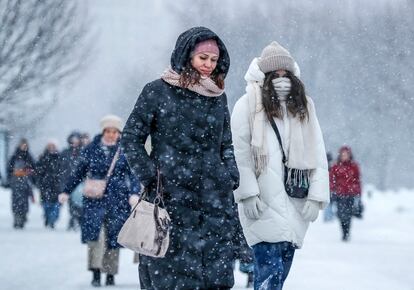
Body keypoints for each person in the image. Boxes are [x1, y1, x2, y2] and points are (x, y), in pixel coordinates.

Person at [121, 26, 240, 290]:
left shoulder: (217, 97)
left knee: (214, 276)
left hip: (213, 202)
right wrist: (150, 176)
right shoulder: (157, 91)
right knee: (169, 276)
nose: (209, 65)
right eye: (203, 58)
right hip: (170, 199)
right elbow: (130, 137)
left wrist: (230, 174)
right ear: (187, 56)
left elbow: (225, 142)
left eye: (214, 60)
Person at [231, 41, 330, 290]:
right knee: (268, 272)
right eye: (275, 75)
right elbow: (239, 154)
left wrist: (317, 197)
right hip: (262, 201)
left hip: (296, 200)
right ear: (264, 76)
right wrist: (247, 193)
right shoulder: (247, 105)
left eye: (286, 74)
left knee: (281, 272)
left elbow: (317, 153)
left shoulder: (303, 107)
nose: (282, 79)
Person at [58, 115, 140, 287]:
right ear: (103, 131)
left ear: (119, 133)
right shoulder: (91, 149)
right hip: (94, 200)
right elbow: (78, 172)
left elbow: (133, 174)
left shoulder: (124, 150)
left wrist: (134, 192)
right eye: (108, 131)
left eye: (114, 131)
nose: (111, 135)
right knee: (95, 237)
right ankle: (95, 273)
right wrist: (66, 191)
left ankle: (110, 274)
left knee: (113, 238)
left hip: (118, 201)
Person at [330, 146, 362, 241]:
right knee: (340, 214)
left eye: (346, 154)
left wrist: (358, 193)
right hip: (339, 194)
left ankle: (347, 232)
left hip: (350, 194)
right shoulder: (335, 166)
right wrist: (332, 190)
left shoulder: (354, 166)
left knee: (348, 214)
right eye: (343, 154)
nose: (344, 156)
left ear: (349, 155)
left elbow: (358, 180)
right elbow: (332, 179)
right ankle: (343, 231)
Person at [7, 138, 36, 229]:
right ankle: (16, 218)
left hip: (25, 182)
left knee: (24, 201)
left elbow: (33, 169)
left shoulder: (29, 156)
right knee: (15, 200)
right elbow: (9, 168)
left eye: (25, 145)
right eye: (22, 145)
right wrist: (11, 178)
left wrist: (30, 176)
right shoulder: (14, 156)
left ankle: (22, 217)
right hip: (15, 182)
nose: (23, 147)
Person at [35, 140, 62, 229]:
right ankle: (47, 217)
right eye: (50, 146)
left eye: (53, 146)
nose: (51, 148)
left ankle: (52, 220)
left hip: (56, 185)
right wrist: (39, 181)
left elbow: (63, 170)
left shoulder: (60, 157)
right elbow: (38, 170)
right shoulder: (42, 157)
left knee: (56, 204)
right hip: (45, 184)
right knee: (46, 204)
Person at [60, 131, 83, 231]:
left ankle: (78, 219)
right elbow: (61, 167)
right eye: (73, 140)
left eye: (76, 139)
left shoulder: (83, 151)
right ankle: (73, 218)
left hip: (80, 182)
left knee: (80, 201)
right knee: (71, 202)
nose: (75, 142)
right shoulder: (65, 152)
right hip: (68, 180)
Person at [323, 152, 336, 222]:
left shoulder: (324, 166)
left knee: (327, 203)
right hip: (330, 188)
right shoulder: (332, 166)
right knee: (330, 203)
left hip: (327, 188)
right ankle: (329, 216)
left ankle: (327, 217)